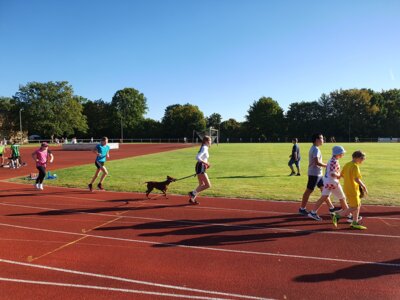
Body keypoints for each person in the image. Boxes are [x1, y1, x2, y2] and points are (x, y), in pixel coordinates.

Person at [299, 133, 337, 215]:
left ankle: (331, 208)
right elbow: (317, 162)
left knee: (324, 190)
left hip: (318, 174)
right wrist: (327, 165)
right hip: (314, 174)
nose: (323, 140)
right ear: (317, 140)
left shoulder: (315, 148)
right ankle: (302, 208)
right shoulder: (315, 149)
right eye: (322, 138)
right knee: (309, 191)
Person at [307, 146, 348, 220]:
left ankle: (313, 212)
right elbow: (333, 173)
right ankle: (349, 215)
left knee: (324, 197)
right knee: (342, 198)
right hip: (332, 182)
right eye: (342, 153)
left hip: (327, 182)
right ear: (338, 153)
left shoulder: (332, 160)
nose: (343, 154)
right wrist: (340, 176)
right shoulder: (334, 161)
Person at [332, 151, 368, 230]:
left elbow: (341, 175)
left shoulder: (347, 164)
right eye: (362, 158)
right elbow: (356, 179)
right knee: (354, 207)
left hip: (348, 188)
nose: (363, 160)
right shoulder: (355, 166)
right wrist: (363, 186)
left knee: (358, 205)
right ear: (356, 158)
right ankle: (337, 216)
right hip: (352, 189)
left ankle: (354, 222)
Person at [188, 136, 212, 205]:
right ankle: (192, 193)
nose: (211, 142)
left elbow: (202, 158)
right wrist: (206, 163)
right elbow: (197, 157)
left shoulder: (205, 147)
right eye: (210, 141)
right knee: (208, 185)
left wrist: (206, 164)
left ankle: (192, 199)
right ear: (206, 141)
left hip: (200, 166)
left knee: (201, 184)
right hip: (200, 166)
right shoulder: (204, 148)